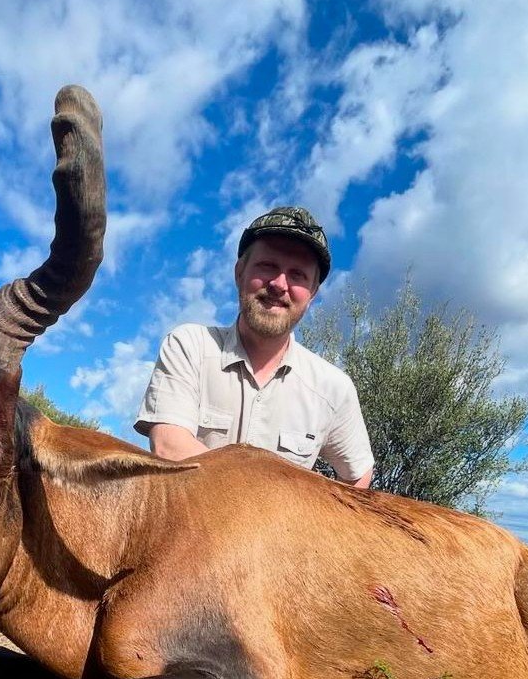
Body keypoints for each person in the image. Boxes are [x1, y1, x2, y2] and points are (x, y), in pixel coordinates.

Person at [134, 206, 374, 487]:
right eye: (268, 266)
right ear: (240, 272)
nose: (279, 284)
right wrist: (281, 500)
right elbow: (168, 446)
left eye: (298, 275)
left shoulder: (334, 388)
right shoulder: (189, 346)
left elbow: (358, 476)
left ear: (312, 293)